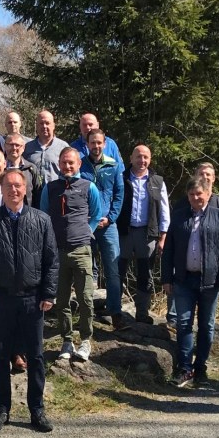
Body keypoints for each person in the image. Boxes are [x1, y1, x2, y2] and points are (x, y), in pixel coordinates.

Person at [0, 169, 59, 434]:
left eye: (18, 186)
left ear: (25, 189)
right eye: (8, 186)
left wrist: (49, 293)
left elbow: (51, 260)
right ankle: (2, 409)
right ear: (2, 189)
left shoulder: (41, 220)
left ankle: (37, 408)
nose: (13, 190)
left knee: (35, 356)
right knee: (0, 357)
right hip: (0, 299)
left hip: (33, 298)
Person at [162, 178, 219, 387]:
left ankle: (201, 369)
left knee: (206, 326)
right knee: (183, 323)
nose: (196, 198)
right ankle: (185, 369)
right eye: (192, 194)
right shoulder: (179, 216)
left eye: (200, 194)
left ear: (209, 194)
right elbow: (169, 249)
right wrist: (166, 278)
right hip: (183, 280)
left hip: (210, 281)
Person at [40, 147, 103, 363]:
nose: (67, 166)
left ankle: (86, 339)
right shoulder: (50, 188)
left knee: (86, 298)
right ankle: (67, 340)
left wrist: (88, 231)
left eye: (71, 163)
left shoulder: (89, 187)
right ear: (59, 164)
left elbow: (96, 214)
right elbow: (44, 215)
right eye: (64, 162)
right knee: (62, 300)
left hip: (82, 250)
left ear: (78, 165)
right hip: (58, 251)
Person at [116, 145, 170, 323]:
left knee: (145, 274)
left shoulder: (157, 181)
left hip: (147, 234)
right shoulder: (121, 177)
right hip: (124, 231)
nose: (142, 161)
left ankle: (142, 313)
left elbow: (164, 212)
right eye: (138, 157)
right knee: (118, 271)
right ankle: (116, 310)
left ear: (150, 159)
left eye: (146, 157)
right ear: (130, 158)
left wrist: (162, 237)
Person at [80, 129, 125, 328]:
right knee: (86, 270)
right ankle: (86, 313)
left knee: (113, 270)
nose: (96, 146)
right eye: (92, 143)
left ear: (104, 144)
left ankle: (115, 312)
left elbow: (119, 194)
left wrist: (110, 218)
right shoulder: (80, 165)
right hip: (86, 225)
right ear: (87, 144)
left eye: (99, 143)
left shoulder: (113, 166)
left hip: (108, 226)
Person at [24, 110, 68, 185]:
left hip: (55, 194)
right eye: (41, 123)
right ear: (36, 126)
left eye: (47, 123)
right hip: (34, 194)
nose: (44, 126)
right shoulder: (27, 148)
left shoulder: (63, 147)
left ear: (53, 126)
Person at [3, 133, 41, 208]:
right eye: (11, 144)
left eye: (17, 145)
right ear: (5, 146)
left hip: (27, 215)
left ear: (23, 148)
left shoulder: (31, 168)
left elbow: (38, 195)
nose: (14, 148)